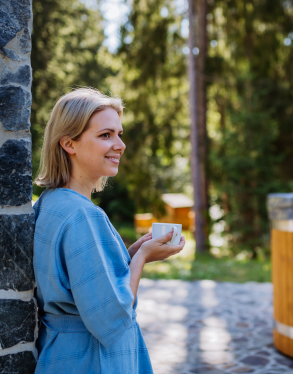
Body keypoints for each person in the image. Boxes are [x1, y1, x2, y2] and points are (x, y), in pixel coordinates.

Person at [32, 88, 185, 373]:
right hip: (93, 359)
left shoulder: (51, 202)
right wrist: (141, 260)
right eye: (105, 135)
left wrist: (131, 254)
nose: (120, 145)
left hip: (62, 355)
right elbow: (111, 315)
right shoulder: (83, 215)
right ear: (69, 143)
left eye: (119, 134)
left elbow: (82, 283)